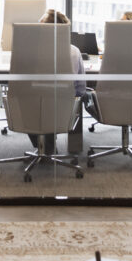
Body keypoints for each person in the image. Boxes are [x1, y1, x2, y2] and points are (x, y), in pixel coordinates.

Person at [28, 9, 88, 153]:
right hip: (64, 111)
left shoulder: (31, 51)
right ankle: (48, 144)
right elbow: (80, 89)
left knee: (29, 99)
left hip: (32, 110)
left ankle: (43, 144)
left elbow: (21, 85)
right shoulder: (74, 51)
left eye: (40, 24)